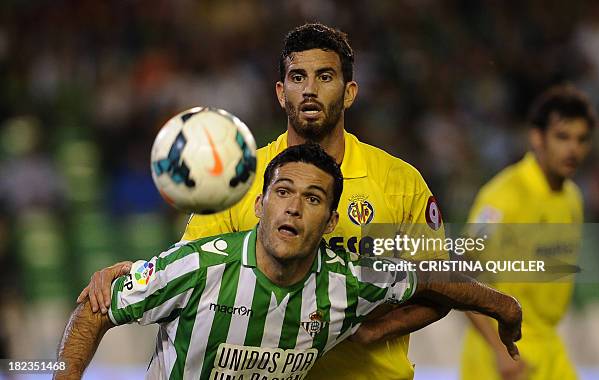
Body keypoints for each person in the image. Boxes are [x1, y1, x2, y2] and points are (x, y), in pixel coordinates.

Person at [79, 23, 449, 380]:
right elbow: (190, 272)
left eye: (324, 76)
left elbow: (442, 284)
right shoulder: (239, 178)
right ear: (280, 91)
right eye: (297, 77)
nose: (309, 90)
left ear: (349, 91)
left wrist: (377, 331)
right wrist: (139, 274)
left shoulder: (400, 182)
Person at [57, 144, 522, 380]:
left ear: (331, 219)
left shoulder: (346, 282)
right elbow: (95, 309)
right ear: (260, 205)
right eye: (282, 193)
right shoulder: (199, 266)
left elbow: (428, 277)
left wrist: (502, 306)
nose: (294, 208)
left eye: (312, 198)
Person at [460, 85, 595, 380]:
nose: (573, 149)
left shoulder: (573, 197)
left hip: (548, 346)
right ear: (537, 137)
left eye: (581, 139)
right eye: (562, 137)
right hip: (502, 352)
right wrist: (499, 352)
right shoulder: (502, 198)